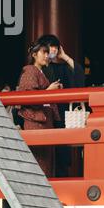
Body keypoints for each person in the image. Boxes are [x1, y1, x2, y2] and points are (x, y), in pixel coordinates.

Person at [37, 34, 85, 177]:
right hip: (44, 116)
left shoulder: (63, 68)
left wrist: (65, 57)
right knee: (43, 158)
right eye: (50, 47)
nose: (53, 51)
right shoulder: (37, 68)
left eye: (56, 48)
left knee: (61, 157)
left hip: (61, 116)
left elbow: (80, 77)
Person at [16, 42, 61, 176]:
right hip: (36, 122)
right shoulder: (30, 70)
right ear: (34, 55)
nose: (47, 56)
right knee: (40, 162)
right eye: (44, 53)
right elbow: (29, 97)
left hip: (44, 122)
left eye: (48, 53)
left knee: (46, 162)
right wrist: (49, 90)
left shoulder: (40, 72)